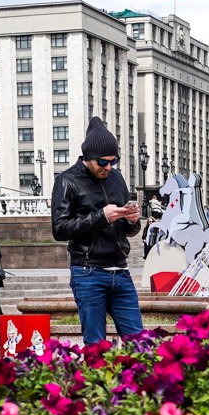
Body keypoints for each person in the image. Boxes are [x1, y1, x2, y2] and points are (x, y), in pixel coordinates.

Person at [51, 117, 144, 345]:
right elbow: (60, 229)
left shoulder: (116, 178)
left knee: (141, 343)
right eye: (103, 162)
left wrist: (132, 220)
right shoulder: (66, 181)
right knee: (96, 346)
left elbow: (128, 229)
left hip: (120, 270)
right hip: (88, 272)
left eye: (113, 161)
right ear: (88, 158)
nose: (108, 167)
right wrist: (100, 217)